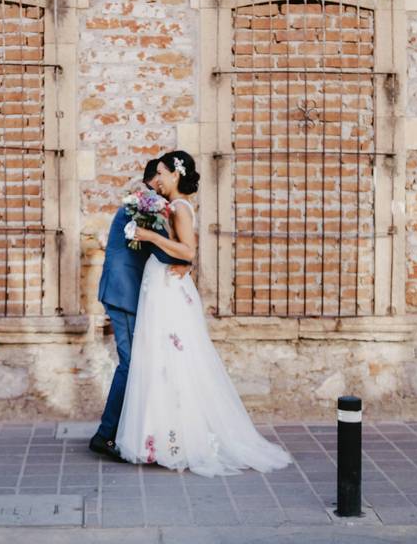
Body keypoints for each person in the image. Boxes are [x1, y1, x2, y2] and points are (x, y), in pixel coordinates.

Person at [115, 151, 293, 477]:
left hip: (168, 287)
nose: (157, 180)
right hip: (161, 283)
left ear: (175, 175)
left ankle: (177, 440)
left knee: (173, 356)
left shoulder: (180, 208)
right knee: (160, 356)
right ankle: (160, 437)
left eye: (161, 174)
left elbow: (188, 250)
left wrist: (149, 235)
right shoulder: (173, 207)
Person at [89, 158, 191, 462]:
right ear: (152, 180)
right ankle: (105, 434)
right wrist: (185, 260)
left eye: (163, 176)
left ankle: (124, 430)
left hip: (127, 292)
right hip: (124, 293)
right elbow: (161, 251)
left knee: (136, 362)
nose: (160, 183)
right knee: (131, 362)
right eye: (158, 177)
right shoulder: (145, 205)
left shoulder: (144, 204)